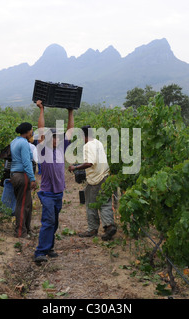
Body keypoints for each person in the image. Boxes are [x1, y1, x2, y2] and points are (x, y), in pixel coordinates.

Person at [34, 100, 74, 263]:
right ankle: (40, 252)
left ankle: (49, 247)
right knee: (48, 221)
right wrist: (42, 109)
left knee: (54, 222)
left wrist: (70, 111)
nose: (56, 140)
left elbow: (70, 132)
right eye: (54, 138)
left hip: (58, 192)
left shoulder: (61, 149)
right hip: (48, 193)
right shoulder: (43, 149)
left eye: (58, 138)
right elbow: (41, 131)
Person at [68, 125, 116, 241]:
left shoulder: (88, 145)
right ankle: (109, 226)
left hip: (96, 180)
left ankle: (93, 229)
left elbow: (89, 163)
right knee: (105, 203)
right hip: (105, 176)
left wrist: (75, 167)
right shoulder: (97, 142)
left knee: (91, 204)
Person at [10, 122, 37, 238]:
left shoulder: (14, 141)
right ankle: (21, 232)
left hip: (14, 175)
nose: (32, 132)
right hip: (22, 175)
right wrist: (32, 179)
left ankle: (27, 229)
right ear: (28, 131)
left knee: (27, 204)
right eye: (31, 130)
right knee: (22, 205)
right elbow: (27, 163)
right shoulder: (24, 143)